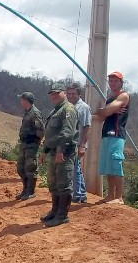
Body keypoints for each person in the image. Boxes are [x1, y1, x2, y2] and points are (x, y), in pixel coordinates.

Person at [39, 83, 79, 227]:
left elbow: (67, 132)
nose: (54, 96)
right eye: (52, 94)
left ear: (64, 93)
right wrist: (45, 151)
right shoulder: (56, 110)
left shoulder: (68, 109)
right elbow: (51, 134)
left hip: (64, 153)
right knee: (53, 182)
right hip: (54, 152)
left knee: (64, 183)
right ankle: (55, 211)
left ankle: (62, 215)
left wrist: (61, 150)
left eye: (57, 93)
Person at [95, 71, 130, 205]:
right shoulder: (110, 98)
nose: (112, 83)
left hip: (117, 134)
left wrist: (107, 110)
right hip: (106, 134)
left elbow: (104, 112)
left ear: (121, 82)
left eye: (115, 81)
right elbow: (100, 115)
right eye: (110, 80)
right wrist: (109, 110)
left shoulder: (124, 96)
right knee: (107, 166)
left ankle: (119, 197)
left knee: (116, 163)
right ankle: (110, 195)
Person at [15, 92, 45, 201]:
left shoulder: (35, 113)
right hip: (24, 144)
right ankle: (25, 189)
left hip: (32, 145)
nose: (21, 102)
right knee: (21, 168)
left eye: (22, 99)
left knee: (31, 168)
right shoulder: (27, 112)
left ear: (26, 100)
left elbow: (41, 130)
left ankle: (30, 191)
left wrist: (37, 141)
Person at [66, 82, 92, 203]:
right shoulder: (67, 106)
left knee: (74, 168)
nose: (71, 96)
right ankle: (80, 194)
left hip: (78, 143)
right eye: (69, 93)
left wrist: (82, 145)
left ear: (79, 94)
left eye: (73, 93)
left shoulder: (84, 107)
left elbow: (87, 127)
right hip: (69, 143)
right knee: (75, 168)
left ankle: (78, 195)